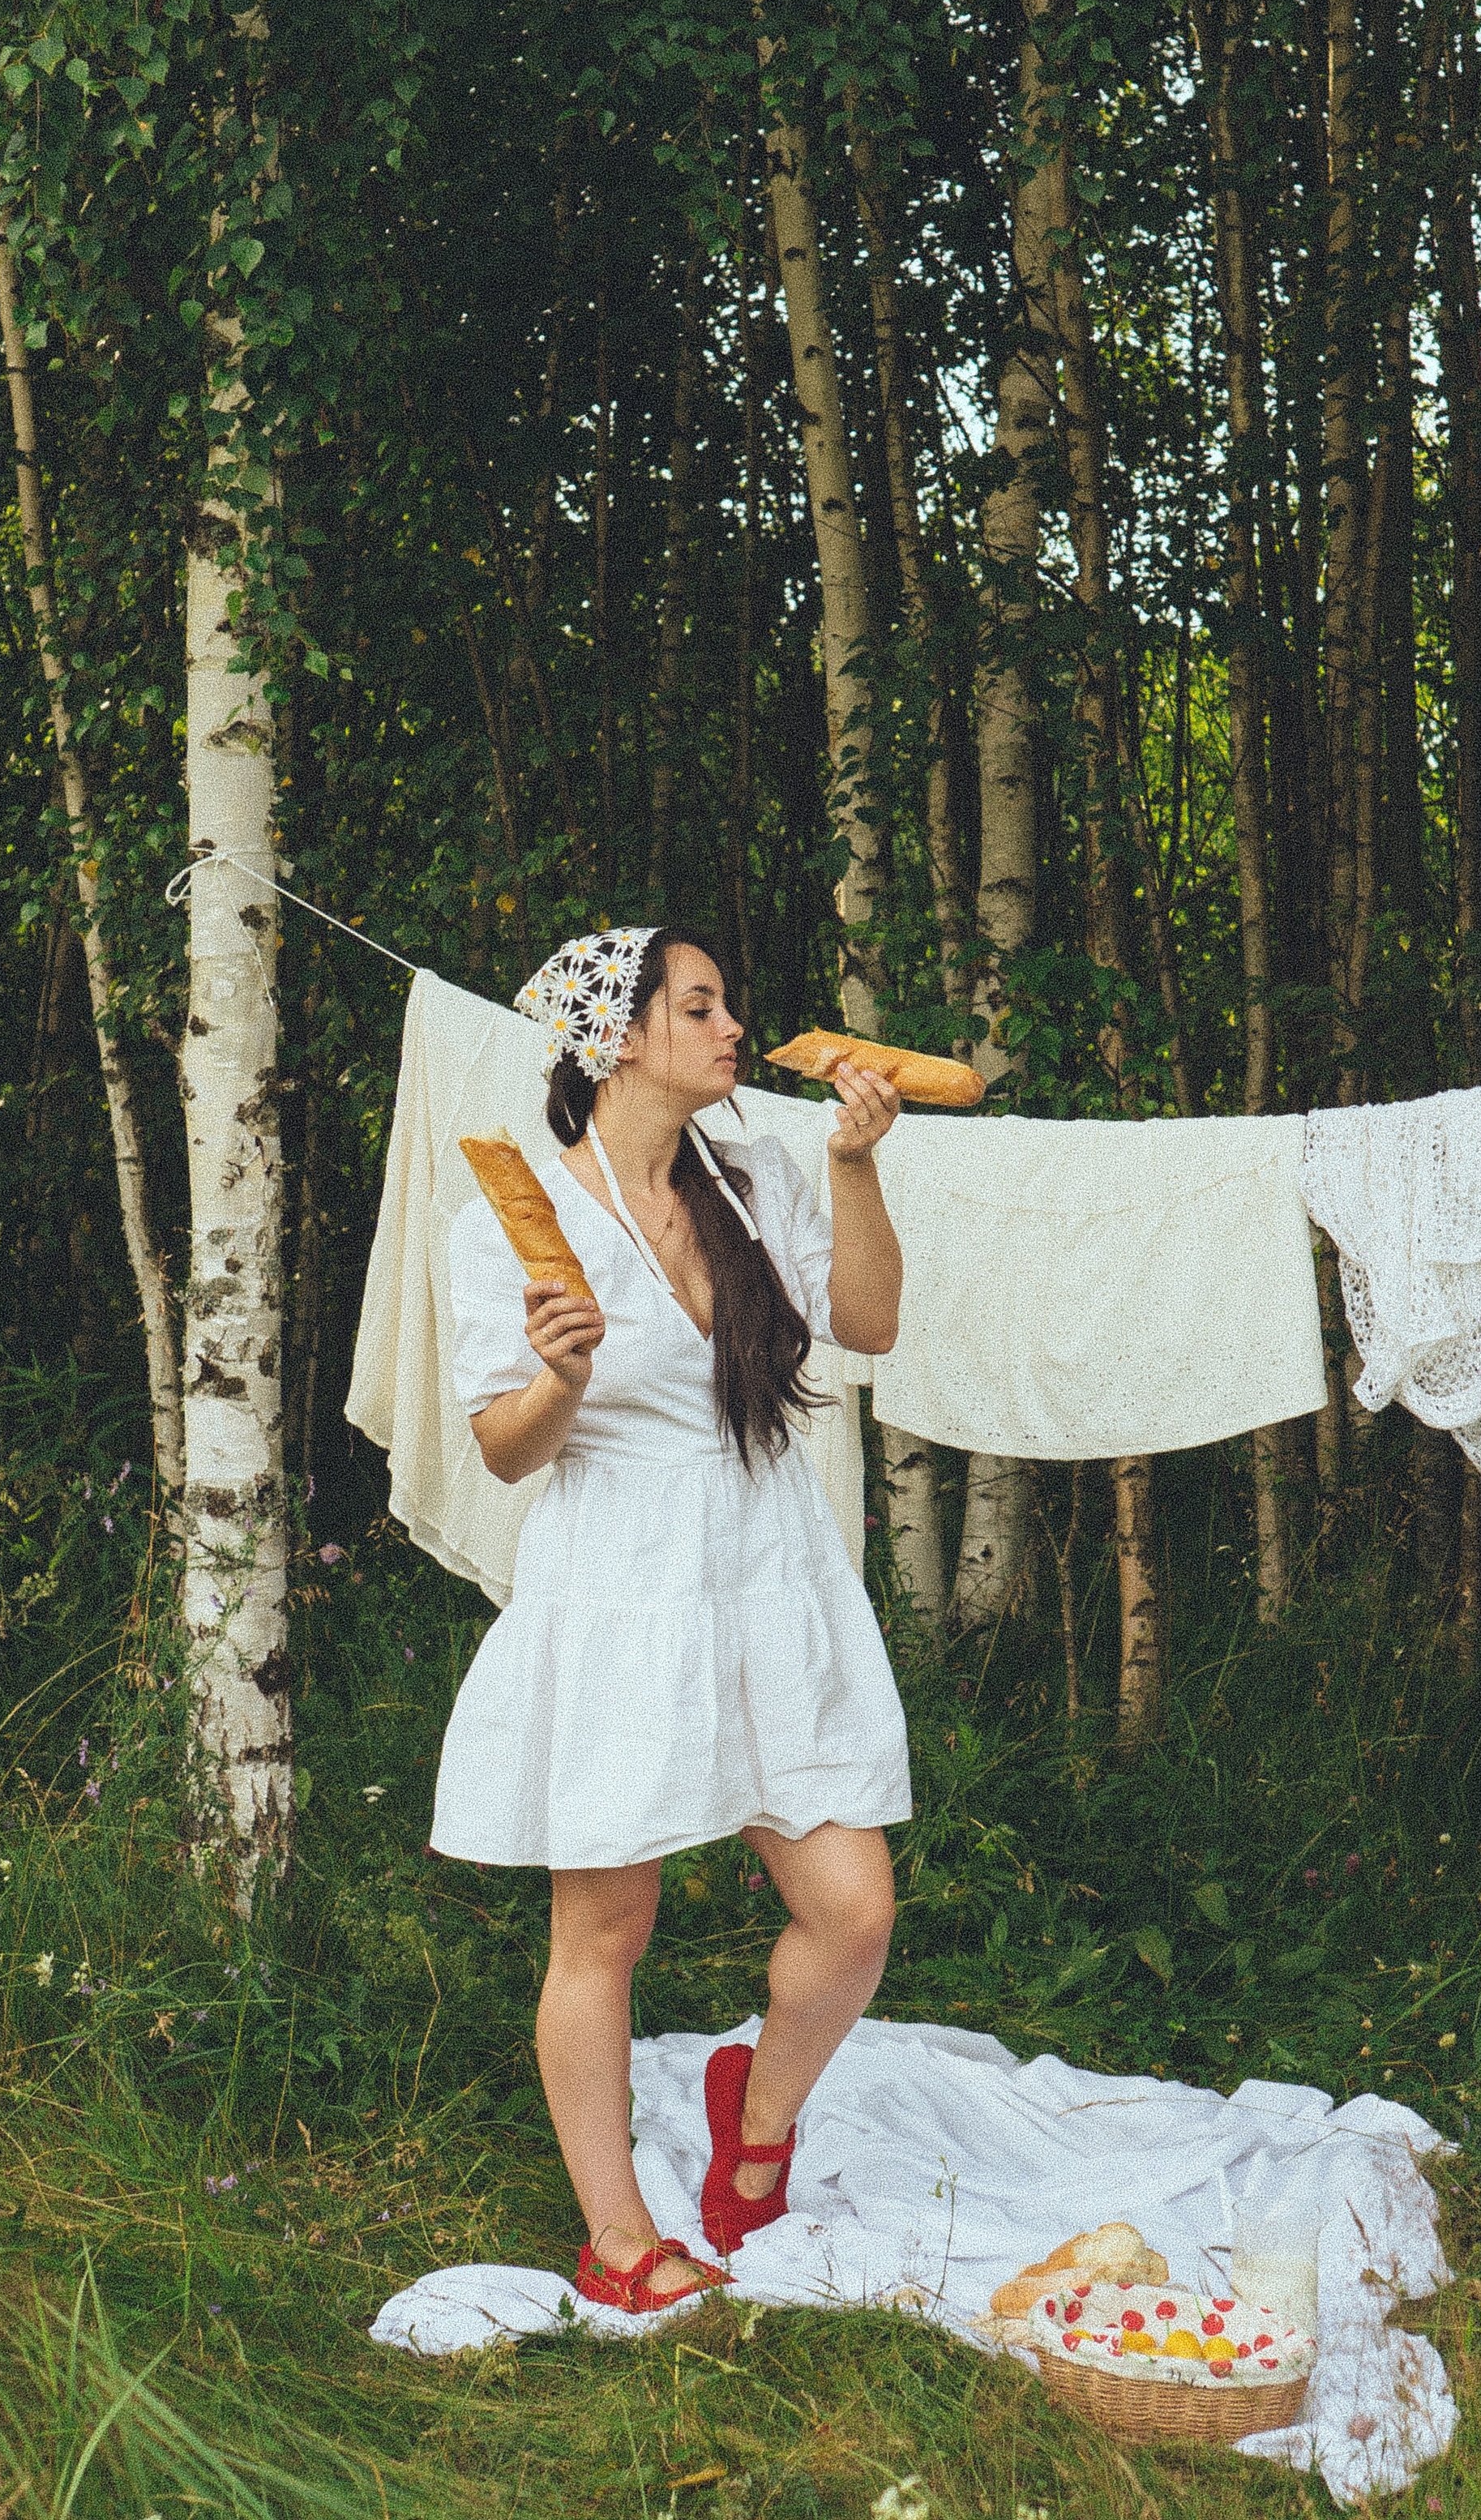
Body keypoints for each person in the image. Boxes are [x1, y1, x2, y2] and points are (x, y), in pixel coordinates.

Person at [430, 925, 912, 2311]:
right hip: (623, 1586)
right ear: (619, 1038)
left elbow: (869, 1323)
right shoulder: (514, 1215)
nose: (731, 1027)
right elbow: (509, 1450)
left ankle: (754, 2121)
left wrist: (857, 1164)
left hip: (769, 1568)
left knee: (854, 1909)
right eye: (699, 1006)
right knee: (606, 1927)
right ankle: (619, 2235)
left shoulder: (753, 1172)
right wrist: (561, 1380)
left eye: (725, 1004)